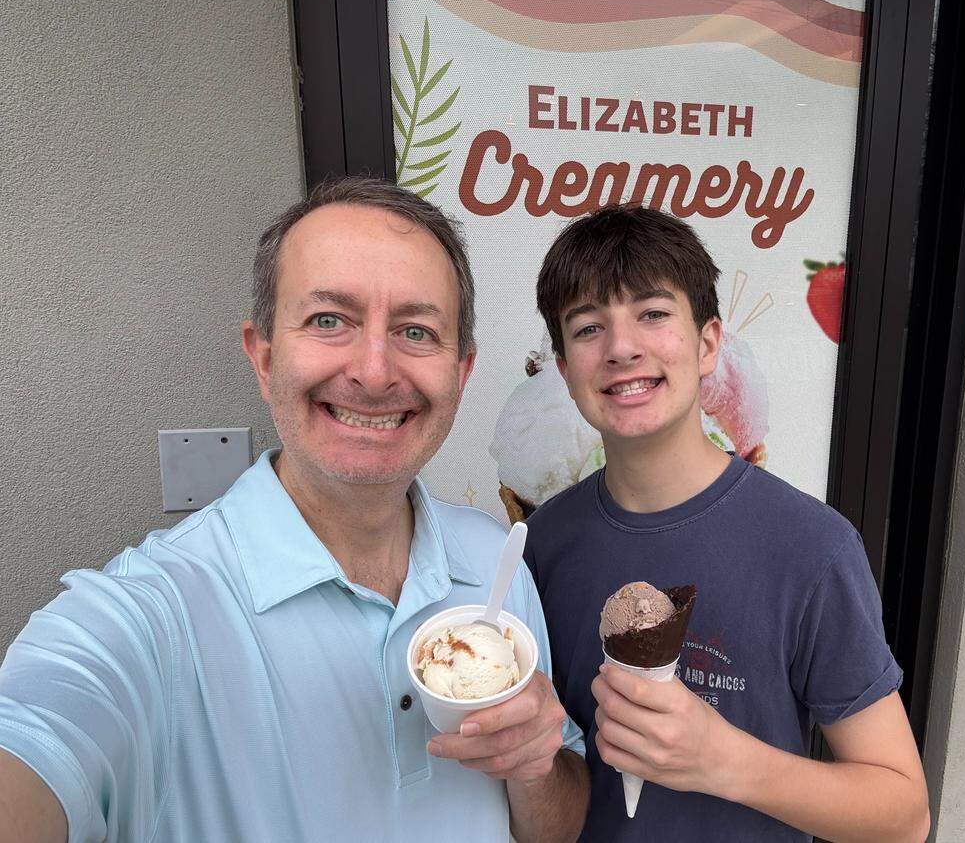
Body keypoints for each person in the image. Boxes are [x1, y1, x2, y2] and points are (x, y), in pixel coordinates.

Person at [0, 178, 589, 843]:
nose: (373, 371)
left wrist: (533, 767)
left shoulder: (493, 559)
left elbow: (558, 827)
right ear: (264, 356)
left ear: (461, 370)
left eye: (416, 330)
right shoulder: (150, 617)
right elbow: (40, 730)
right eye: (329, 320)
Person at [522, 204, 930, 841]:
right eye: (587, 328)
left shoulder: (810, 547)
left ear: (709, 343)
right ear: (564, 367)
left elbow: (903, 814)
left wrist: (722, 760)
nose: (622, 347)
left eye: (653, 314)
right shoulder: (544, 544)